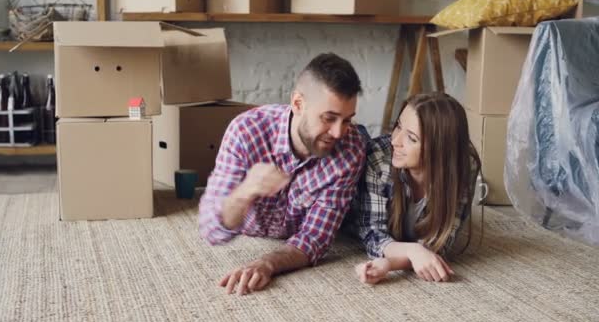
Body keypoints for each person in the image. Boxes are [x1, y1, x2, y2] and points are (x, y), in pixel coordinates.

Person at [199, 53, 366, 295]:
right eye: (329, 118)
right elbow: (211, 231)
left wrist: (267, 263)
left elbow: (314, 238)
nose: (339, 132)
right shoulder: (245, 132)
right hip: (249, 229)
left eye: (347, 120)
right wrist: (245, 191)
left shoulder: (350, 148)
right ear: (298, 104)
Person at [348, 92, 481, 284]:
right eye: (398, 126)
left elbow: (440, 242)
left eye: (411, 138)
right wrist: (413, 251)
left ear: (439, 149)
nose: (395, 141)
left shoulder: (463, 165)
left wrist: (390, 263)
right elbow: (372, 233)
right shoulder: (378, 159)